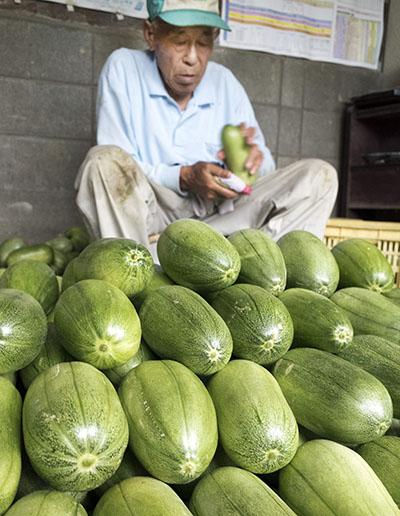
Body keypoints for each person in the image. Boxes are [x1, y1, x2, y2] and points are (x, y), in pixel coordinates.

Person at [75, 0, 338, 259]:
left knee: (319, 177)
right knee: (101, 162)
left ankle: (258, 271)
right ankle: (136, 271)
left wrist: (251, 165)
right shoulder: (124, 68)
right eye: (180, 41)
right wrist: (184, 176)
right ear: (151, 34)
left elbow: (266, 169)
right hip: (153, 217)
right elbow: (119, 163)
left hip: (220, 220)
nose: (192, 58)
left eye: (203, 42)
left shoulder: (224, 81)